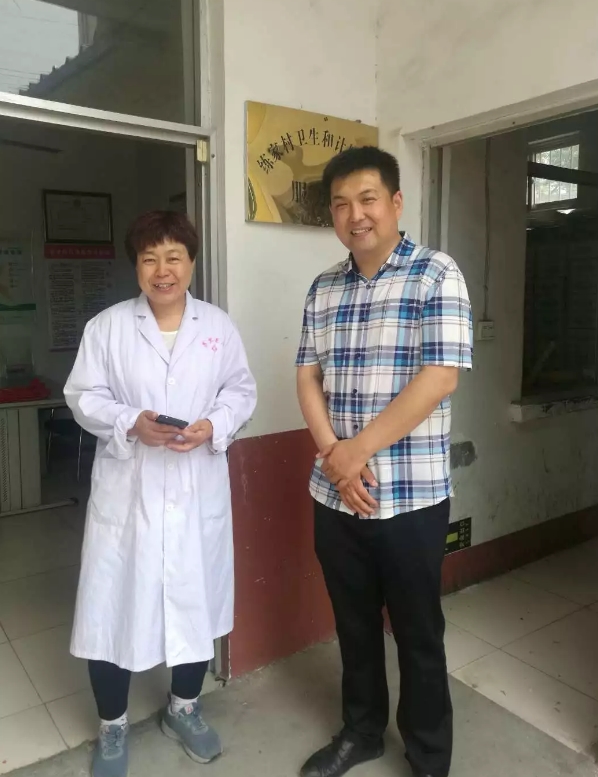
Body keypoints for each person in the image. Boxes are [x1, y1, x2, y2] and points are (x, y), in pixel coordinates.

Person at [296, 147, 472, 777]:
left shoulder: (436, 274)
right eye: (341, 204)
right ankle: (362, 731)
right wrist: (333, 456)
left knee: (419, 633)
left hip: (411, 498)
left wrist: (357, 451)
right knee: (354, 625)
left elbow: (441, 377)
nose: (356, 215)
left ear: (396, 203)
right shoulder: (324, 288)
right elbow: (307, 375)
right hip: (335, 495)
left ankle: (429, 756)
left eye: (367, 199)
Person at [64, 211, 257, 777]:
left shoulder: (217, 326)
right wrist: (129, 422)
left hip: (196, 489)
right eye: (149, 259)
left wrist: (213, 424)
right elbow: (83, 395)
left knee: (195, 602)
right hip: (129, 495)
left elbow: (240, 391)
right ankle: (112, 727)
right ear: (137, 267)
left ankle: (184, 709)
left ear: (191, 262)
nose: (162, 270)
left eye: (174, 257)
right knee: (111, 608)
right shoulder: (107, 328)